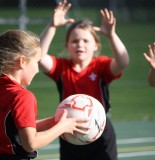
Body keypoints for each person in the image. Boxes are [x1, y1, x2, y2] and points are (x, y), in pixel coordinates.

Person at [39, 0, 129, 160]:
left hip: (99, 128)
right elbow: (38, 56)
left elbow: (123, 62)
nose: (80, 44)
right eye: (74, 41)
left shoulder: (100, 66)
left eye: (86, 41)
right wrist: (52, 27)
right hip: (68, 130)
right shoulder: (61, 68)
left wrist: (111, 35)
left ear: (96, 45)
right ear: (67, 45)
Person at [0, 29, 89, 160]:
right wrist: (62, 127)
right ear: (22, 61)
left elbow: (14, 127)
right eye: (36, 62)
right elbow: (31, 143)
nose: (37, 70)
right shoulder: (22, 97)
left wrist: (52, 122)